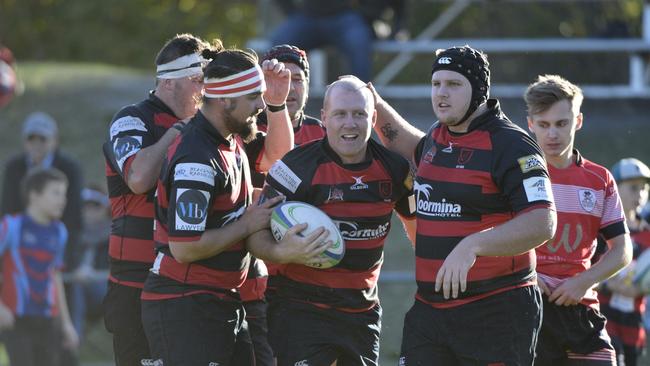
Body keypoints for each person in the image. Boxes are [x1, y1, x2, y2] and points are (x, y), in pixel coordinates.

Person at [140, 40, 327, 366]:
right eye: (254, 96)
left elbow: (232, 201)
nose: (261, 105)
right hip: (185, 305)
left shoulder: (231, 141)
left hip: (220, 300)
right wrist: (247, 223)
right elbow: (184, 246)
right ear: (225, 99)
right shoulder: (196, 157)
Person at [369, 45, 557, 365]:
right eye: (436, 84)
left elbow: (543, 221)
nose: (441, 94)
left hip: (495, 311)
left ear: (479, 91)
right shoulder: (439, 135)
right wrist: (372, 102)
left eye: (454, 84)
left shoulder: (511, 144)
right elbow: (408, 145)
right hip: (430, 312)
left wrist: (472, 245)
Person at [257, 76, 415, 366]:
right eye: (340, 114)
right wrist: (281, 252)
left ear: (374, 117)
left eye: (359, 114)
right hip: (301, 310)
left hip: (362, 312)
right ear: (324, 117)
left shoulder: (395, 170)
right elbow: (255, 234)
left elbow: (417, 223)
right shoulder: (294, 168)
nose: (350, 123)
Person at [102, 33, 212, 366]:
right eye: (197, 81)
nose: (204, 90)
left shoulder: (207, 126)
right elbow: (137, 179)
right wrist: (178, 132)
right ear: (168, 83)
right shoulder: (132, 118)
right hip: (134, 282)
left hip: (188, 282)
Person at [524, 74, 632, 365]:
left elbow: (622, 250)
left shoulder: (599, 180)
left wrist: (583, 282)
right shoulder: (516, 175)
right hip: (525, 306)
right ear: (530, 124)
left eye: (562, 123)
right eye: (544, 125)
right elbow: (490, 236)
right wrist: (528, 275)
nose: (552, 134)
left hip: (579, 307)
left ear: (578, 121)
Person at [242, 44, 327, 365]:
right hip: (254, 276)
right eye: (281, 78)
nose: (289, 87)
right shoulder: (245, 132)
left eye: (297, 79)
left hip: (309, 276)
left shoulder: (325, 134)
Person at [0, 168, 79, 366]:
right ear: (34, 195)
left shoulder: (59, 231)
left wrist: (66, 323)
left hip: (48, 319)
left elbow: (55, 276)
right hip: (17, 320)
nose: (63, 200)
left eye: (64, 194)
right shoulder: (11, 226)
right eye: (56, 193)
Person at [1, 111, 84, 273]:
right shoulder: (13, 167)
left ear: (55, 141)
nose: (36, 144)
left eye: (43, 139)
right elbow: (7, 206)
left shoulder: (70, 168)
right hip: (21, 241)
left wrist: (69, 260)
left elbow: (74, 214)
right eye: (31, 138)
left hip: (56, 241)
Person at [598, 158, 650, 366]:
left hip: (634, 322)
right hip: (604, 318)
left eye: (645, 188)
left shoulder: (647, 235)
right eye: (633, 188)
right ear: (615, 189)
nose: (640, 194)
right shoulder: (602, 231)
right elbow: (584, 266)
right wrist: (607, 283)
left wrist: (641, 289)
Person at [270, 0, 374, 81]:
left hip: (345, 16)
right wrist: (291, 11)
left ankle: (360, 98)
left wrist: (366, 14)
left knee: (358, 42)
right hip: (307, 16)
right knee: (280, 44)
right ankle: (276, 100)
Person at [68, 185, 111, 342]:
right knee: (75, 285)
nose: (90, 211)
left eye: (96, 206)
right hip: (78, 292)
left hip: (106, 292)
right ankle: (71, 339)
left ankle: (74, 337)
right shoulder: (71, 235)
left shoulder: (114, 234)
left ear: (105, 209)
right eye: (86, 206)